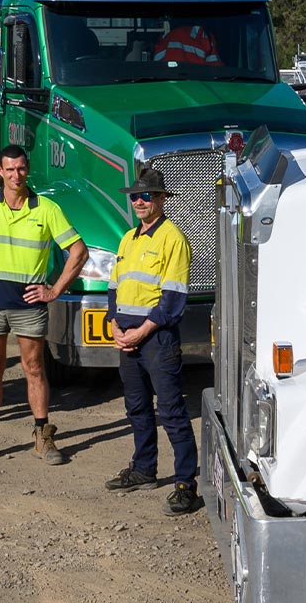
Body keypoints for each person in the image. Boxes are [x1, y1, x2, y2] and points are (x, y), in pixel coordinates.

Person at [0, 145, 88, 466]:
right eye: (9, 169)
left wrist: (54, 290)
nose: (16, 175)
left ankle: (43, 437)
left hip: (29, 303)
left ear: (27, 169)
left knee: (33, 369)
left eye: (21, 169)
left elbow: (79, 252)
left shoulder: (46, 208)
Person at [99, 169, 202, 516]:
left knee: (172, 412)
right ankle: (144, 469)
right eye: (135, 196)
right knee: (138, 409)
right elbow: (114, 288)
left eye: (147, 196)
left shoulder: (172, 238)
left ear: (161, 199)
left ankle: (186, 484)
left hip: (155, 339)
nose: (139, 201)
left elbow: (172, 299)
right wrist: (113, 324)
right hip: (127, 338)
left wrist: (140, 332)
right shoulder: (128, 239)